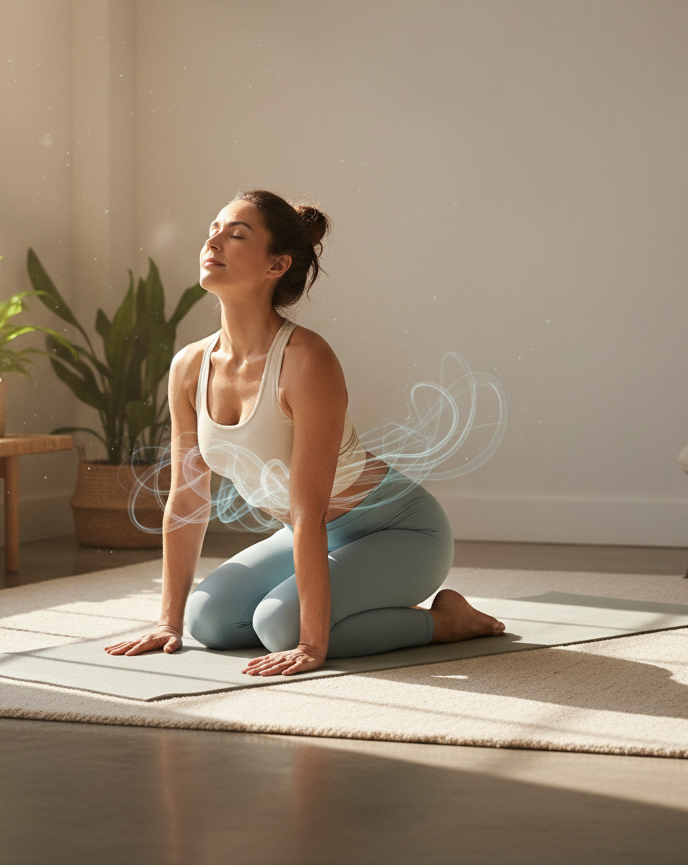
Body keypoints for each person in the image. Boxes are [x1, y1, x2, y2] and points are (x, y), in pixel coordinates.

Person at [104, 190, 504, 676]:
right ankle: (345, 607)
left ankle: (445, 622)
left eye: (236, 235)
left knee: (280, 627)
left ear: (276, 265)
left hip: (400, 531)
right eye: (213, 229)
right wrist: (168, 622)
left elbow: (308, 510)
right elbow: (187, 499)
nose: (213, 241)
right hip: (308, 533)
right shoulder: (189, 366)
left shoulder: (306, 361)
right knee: (208, 622)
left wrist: (313, 645)